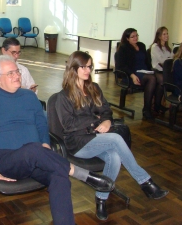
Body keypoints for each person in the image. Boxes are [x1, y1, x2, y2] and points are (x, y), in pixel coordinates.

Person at [0, 55, 115, 225]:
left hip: (38, 159)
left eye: (17, 71)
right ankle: (81, 174)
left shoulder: (29, 96)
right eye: (10, 73)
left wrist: (46, 144)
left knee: (59, 176)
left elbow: (42, 125)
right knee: (33, 149)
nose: (17, 76)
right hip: (7, 161)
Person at [56, 51, 168, 220]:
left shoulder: (94, 88)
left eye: (90, 66)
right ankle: (145, 182)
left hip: (97, 139)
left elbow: (106, 110)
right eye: (83, 67)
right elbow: (69, 125)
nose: (88, 70)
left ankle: (101, 200)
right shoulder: (63, 96)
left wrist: (107, 121)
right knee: (116, 139)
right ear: (73, 69)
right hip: (77, 143)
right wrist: (95, 120)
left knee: (114, 157)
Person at [115, 28, 166, 120]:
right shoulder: (123, 48)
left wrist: (152, 70)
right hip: (131, 74)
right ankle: (146, 109)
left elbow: (147, 61)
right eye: (132, 36)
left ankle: (157, 105)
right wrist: (132, 75)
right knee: (152, 79)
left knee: (161, 78)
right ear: (127, 38)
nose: (135, 38)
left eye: (136, 35)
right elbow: (121, 66)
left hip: (145, 71)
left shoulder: (141, 46)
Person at [150, 26, 173, 102]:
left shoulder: (167, 47)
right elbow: (162, 61)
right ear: (159, 36)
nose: (167, 35)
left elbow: (173, 59)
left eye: (167, 33)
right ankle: (157, 103)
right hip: (157, 70)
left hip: (166, 70)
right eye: (164, 34)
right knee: (162, 81)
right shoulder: (155, 47)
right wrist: (169, 59)